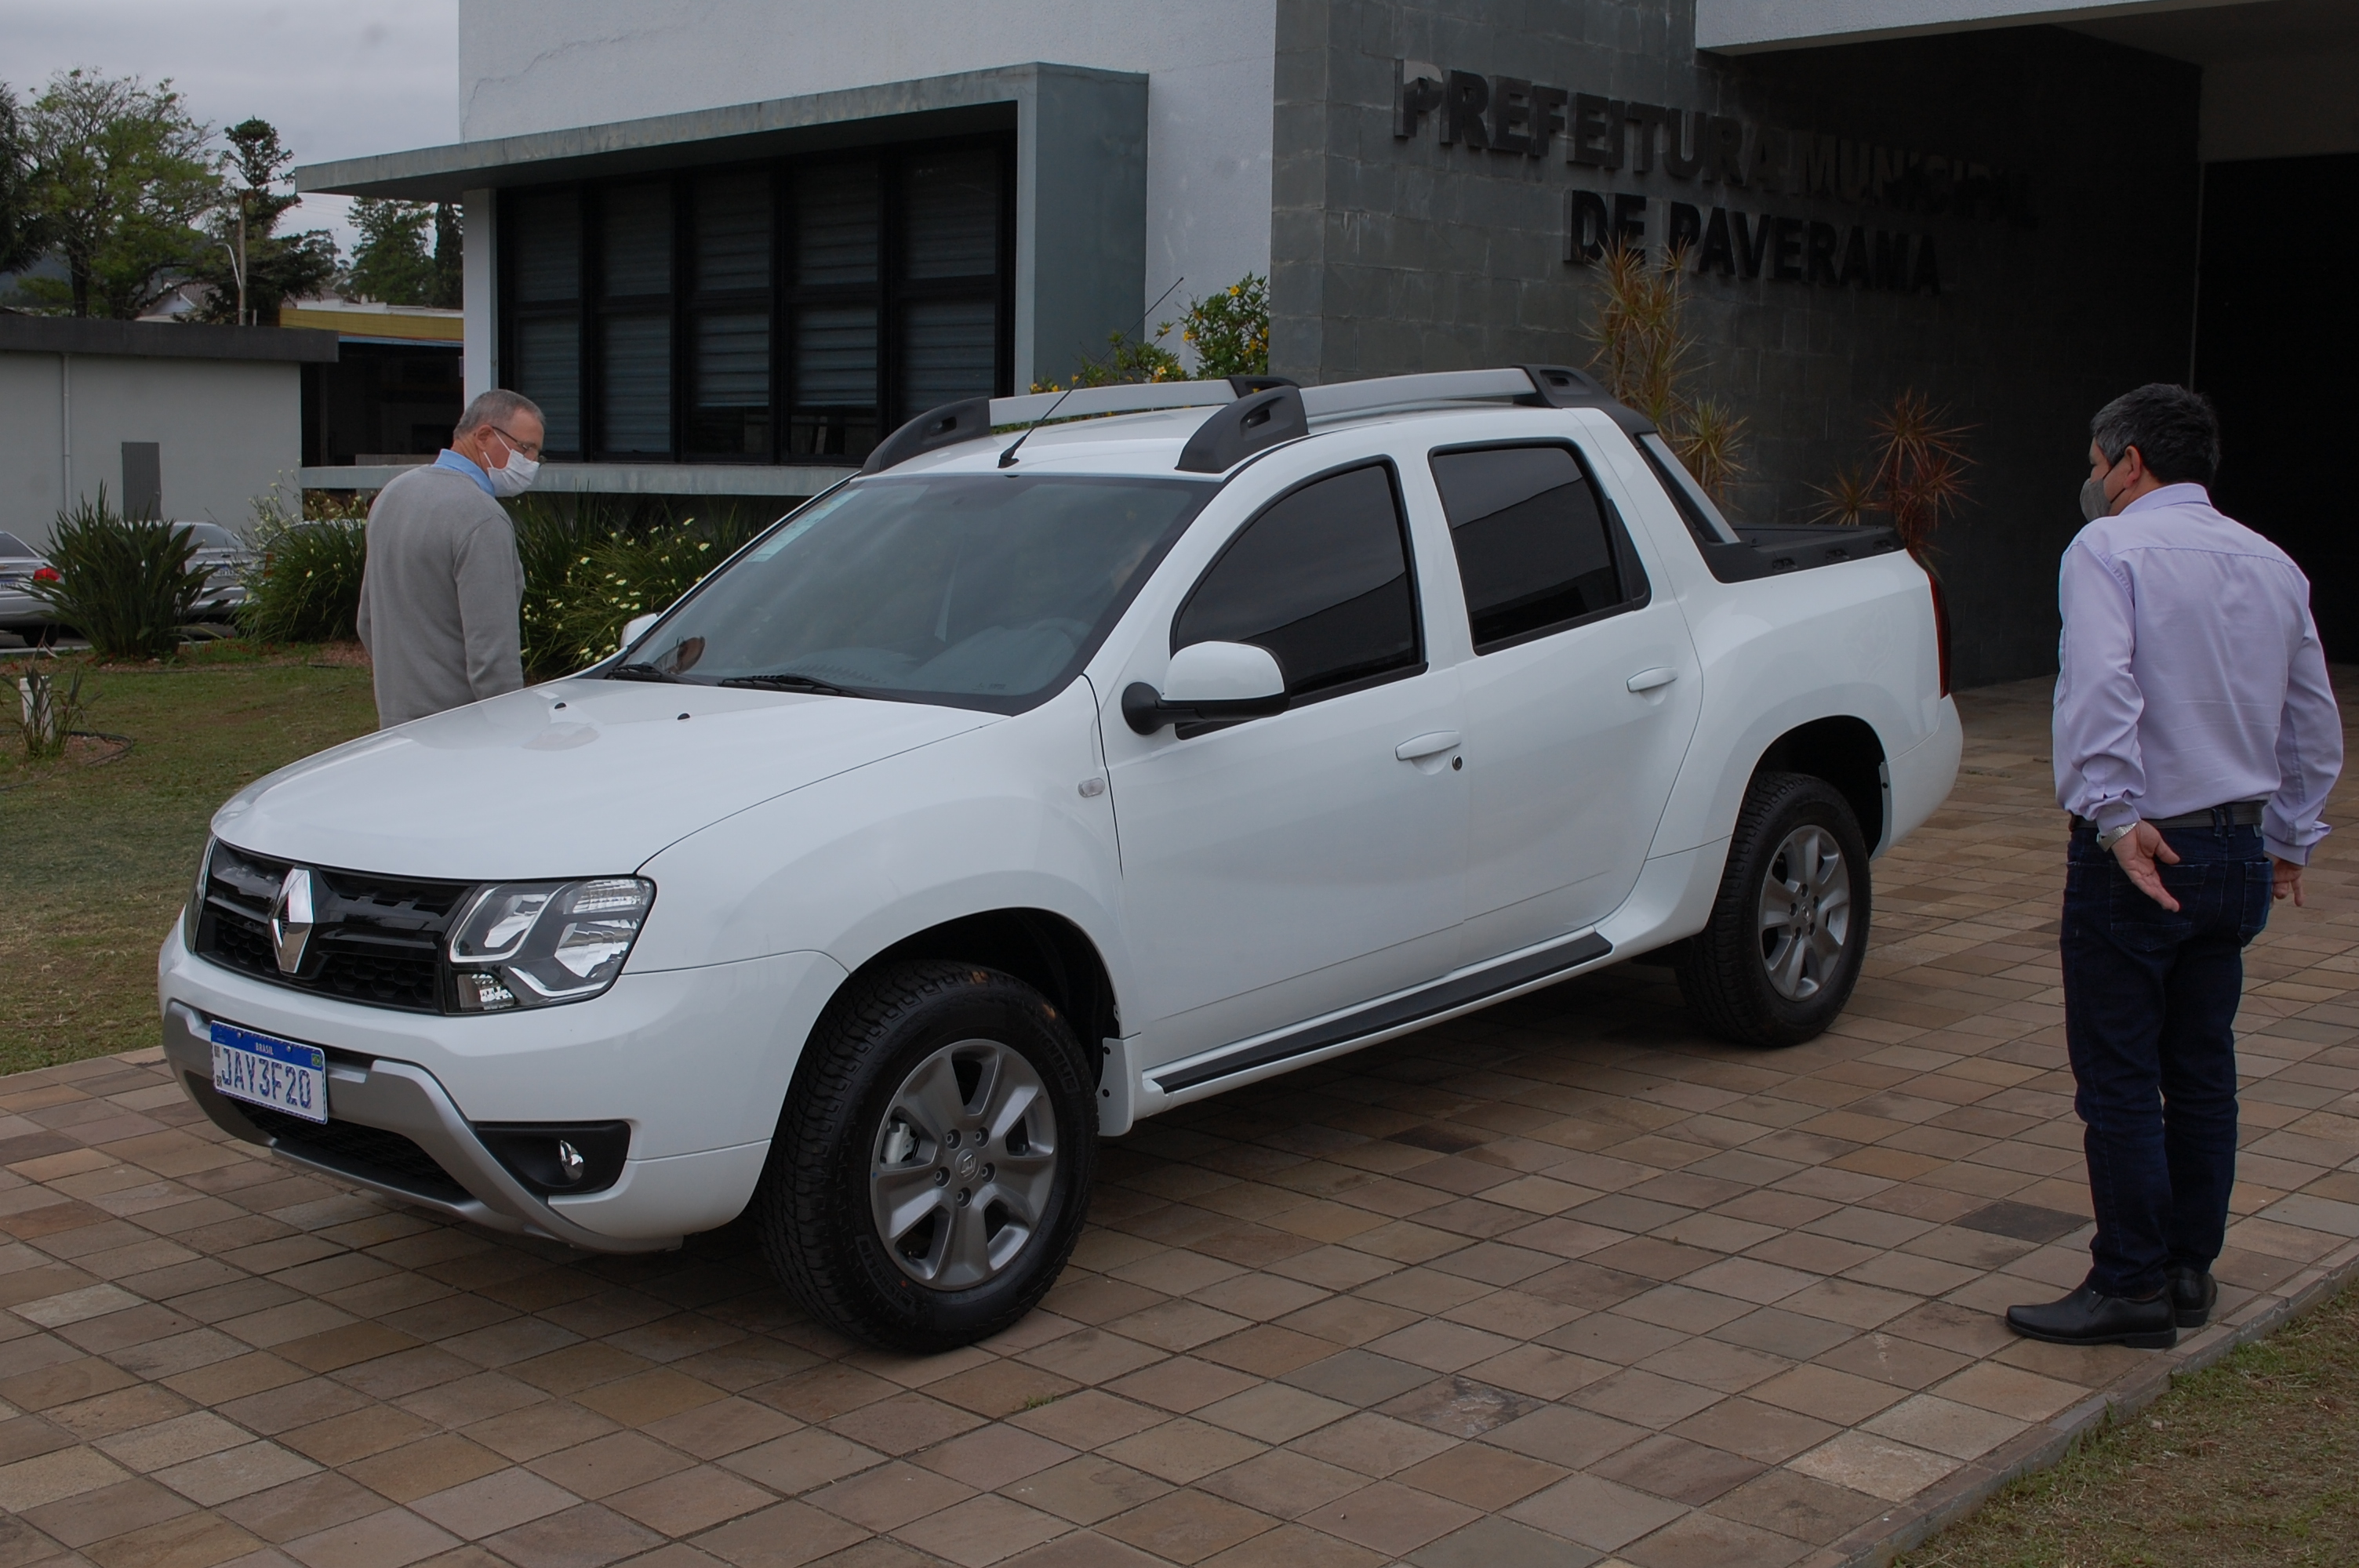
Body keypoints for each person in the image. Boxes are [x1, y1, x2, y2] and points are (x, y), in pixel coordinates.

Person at [2008, 384, 2341, 1349]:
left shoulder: (2107, 548)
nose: (2089, 478)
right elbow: (2309, 715)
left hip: (2142, 845)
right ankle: (2186, 1271)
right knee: (2200, 1069)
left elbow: (2099, 684)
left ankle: (2129, 1283)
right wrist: (2288, 836)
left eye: (2094, 461)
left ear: (2129, 462)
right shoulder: (2272, 563)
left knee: (2117, 1075)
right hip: (2235, 847)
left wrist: (2114, 814)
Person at [356, 390, 545, 727]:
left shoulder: (391, 496)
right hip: (463, 732)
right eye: (525, 448)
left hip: (396, 726)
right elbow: (493, 659)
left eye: (536, 454)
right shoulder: (483, 517)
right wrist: (516, 731)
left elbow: (367, 621)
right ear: (484, 436)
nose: (531, 463)